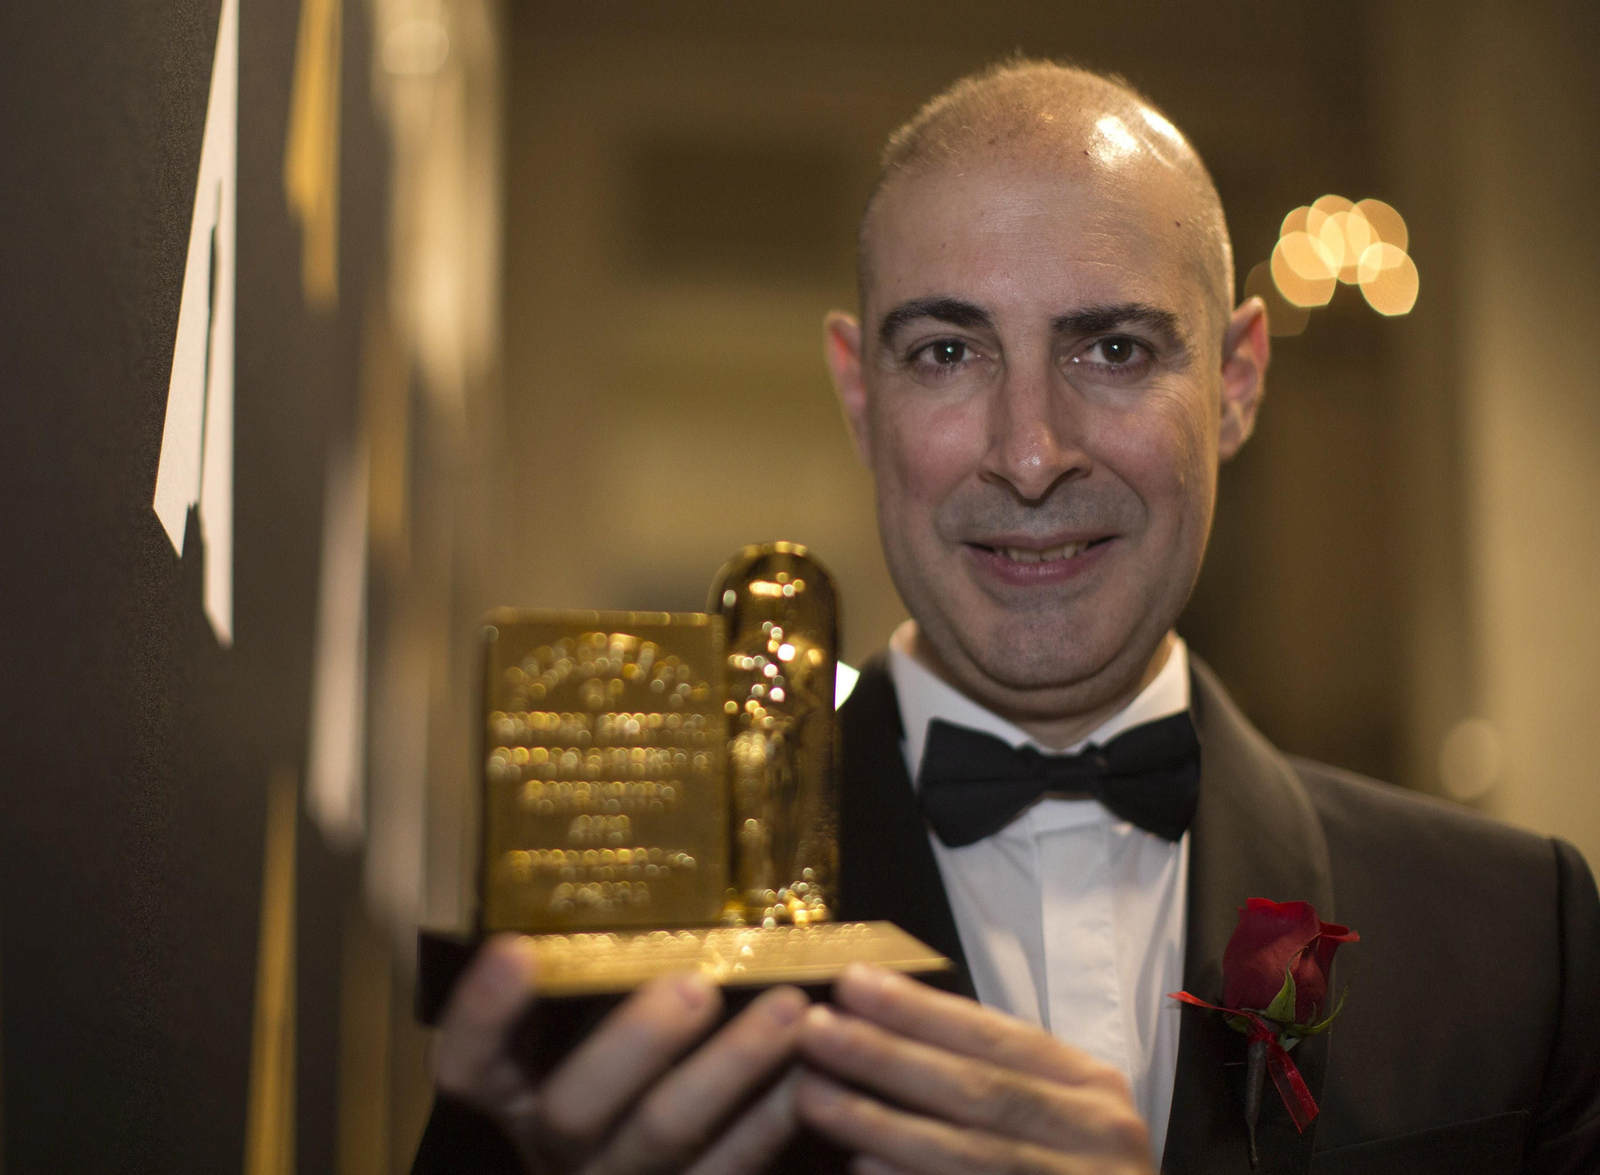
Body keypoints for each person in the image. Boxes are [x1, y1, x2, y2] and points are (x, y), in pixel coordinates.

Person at [413, 60, 1600, 1175]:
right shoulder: (616, 949)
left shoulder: (1514, 938)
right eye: (945, 351)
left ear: (1237, 381)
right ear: (858, 393)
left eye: (1115, 347)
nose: (1029, 453)